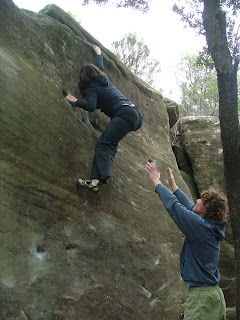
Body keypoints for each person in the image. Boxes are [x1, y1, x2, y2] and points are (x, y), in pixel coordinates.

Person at [144, 161, 227, 320]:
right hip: (214, 295)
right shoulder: (209, 226)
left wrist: (156, 181)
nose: (197, 200)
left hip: (201, 298)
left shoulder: (200, 228)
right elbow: (189, 207)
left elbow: (175, 207)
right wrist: (173, 185)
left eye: (201, 200)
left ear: (207, 209)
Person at [65, 44, 143, 192]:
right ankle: (102, 177)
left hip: (124, 113)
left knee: (103, 144)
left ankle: (95, 182)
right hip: (136, 115)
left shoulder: (91, 88)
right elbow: (100, 67)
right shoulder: (103, 80)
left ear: (84, 79)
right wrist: (99, 53)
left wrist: (75, 101)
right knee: (111, 144)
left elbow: (90, 105)